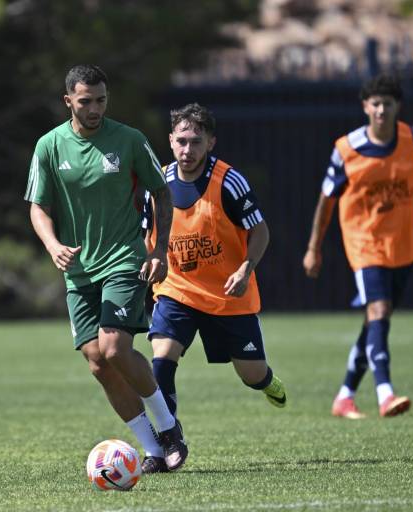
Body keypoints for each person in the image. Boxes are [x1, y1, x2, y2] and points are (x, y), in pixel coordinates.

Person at [24, 64, 187, 473]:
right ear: (68, 102)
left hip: (123, 259)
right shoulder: (49, 146)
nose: (94, 108)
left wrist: (159, 250)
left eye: (101, 100)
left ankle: (168, 427)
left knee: (116, 347)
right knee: (98, 361)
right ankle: (152, 450)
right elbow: (38, 207)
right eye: (85, 101)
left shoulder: (129, 140)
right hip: (79, 271)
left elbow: (161, 193)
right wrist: (52, 244)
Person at [302, 73, 413, 419]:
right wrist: (314, 247)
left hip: (404, 245)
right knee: (378, 312)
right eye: (375, 104)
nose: (381, 110)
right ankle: (385, 393)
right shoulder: (347, 149)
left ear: (397, 107)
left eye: (387, 104)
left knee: (378, 318)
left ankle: (344, 395)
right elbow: (326, 201)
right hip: (364, 244)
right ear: (365, 107)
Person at [141, 103, 286, 472]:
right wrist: (152, 261)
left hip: (227, 295)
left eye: (195, 142)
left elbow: (261, 231)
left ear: (210, 143)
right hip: (178, 290)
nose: (187, 150)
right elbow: (148, 235)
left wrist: (245, 268)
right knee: (162, 357)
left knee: (251, 374)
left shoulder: (230, 182)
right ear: (170, 141)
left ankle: (268, 381)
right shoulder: (157, 183)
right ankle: (166, 440)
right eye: (181, 142)